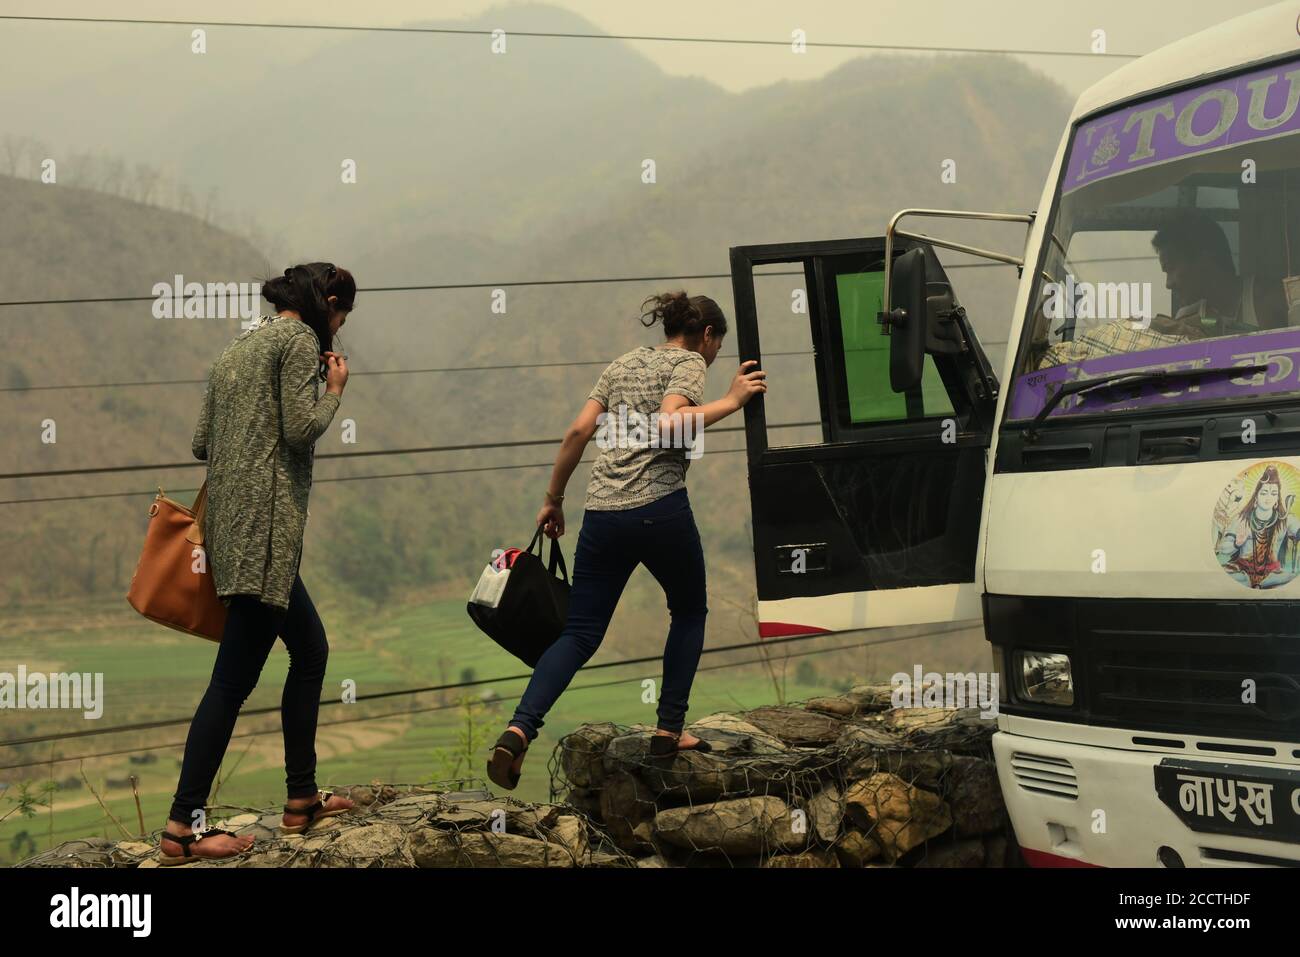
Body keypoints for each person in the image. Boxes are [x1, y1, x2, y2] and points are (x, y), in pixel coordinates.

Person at [486, 291, 767, 790]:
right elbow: (670, 422)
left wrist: (554, 498)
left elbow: (577, 432)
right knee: (688, 611)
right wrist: (732, 400)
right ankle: (668, 730)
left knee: (578, 634)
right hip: (659, 510)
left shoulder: (620, 365)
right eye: (717, 344)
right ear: (707, 335)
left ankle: (518, 729)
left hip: (602, 514)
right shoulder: (689, 363)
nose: (715, 354)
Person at [159, 262, 357, 864]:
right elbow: (300, 430)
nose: (341, 328)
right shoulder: (299, 342)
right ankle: (181, 830)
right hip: (267, 534)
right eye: (343, 314)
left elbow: (201, 443)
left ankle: (301, 799)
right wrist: (335, 391)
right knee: (231, 683)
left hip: (230, 531)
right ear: (326, 303)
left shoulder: (239, 345)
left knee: (311, 650)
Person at [1215, 464, 1300, 589]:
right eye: (1264, 492)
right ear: (1256, 497)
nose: (1268, 498)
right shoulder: (1241, 519)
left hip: (1273, 574)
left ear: (1277, 499)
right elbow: (1223, 549)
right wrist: (1237, 543)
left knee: (1288, 577)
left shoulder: (1285, 519)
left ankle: (1261, 584)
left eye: (1273, 493)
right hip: (1242, 570)